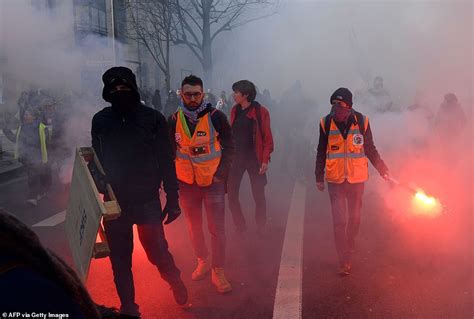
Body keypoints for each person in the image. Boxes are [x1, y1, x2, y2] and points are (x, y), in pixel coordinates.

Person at [91, 66, 187, 318]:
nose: (119, 92)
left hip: (147, 201)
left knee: (156, 252)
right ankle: (129, 308)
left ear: (133, 88)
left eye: (124, 88)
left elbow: (166, 161)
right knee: (120, 261)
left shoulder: (153, 118)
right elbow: (94, 160)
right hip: (115, 203)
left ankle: (174, 279)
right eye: (114, 89)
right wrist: (98, 180)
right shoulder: (100, 121)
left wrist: (174, 199)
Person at [168, 75, 234, 293]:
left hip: (212, 182)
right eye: (188, 94)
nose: (193, 98)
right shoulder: (173, 120)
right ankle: (203, 260)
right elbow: (168, 153)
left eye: (197, 94)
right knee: (194, 227)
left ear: (203, 94)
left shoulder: (217, 117)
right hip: (187, 184)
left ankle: (218, 270)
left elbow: (230, 147)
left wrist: (221, 174)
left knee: (217, 229)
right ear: (182, 95)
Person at [315, 88, 390, 276]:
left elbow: (370, 149)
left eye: (339, 105)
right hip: (336, 180)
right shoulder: (326, 122)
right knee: (339, 221)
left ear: (349, 105)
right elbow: (321, 150)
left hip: (356, 180)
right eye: (333, 104)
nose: (335, 108)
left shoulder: (362, 122)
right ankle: (344, 258)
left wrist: (382, 169)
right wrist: (318, 175)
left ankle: (350, 242)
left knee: (354, 219)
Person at [228, 80, 274, 235]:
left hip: (254, 159)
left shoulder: (261, 112)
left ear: (245, 94)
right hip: (236, 159)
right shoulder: (234, 110)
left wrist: (265, 160)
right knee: (231, 193)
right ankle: (240, 225)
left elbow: (267, 138)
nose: (233, 95)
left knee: (258, 195)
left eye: (236, 92)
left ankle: (261, 225)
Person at [2, 106, 52, 206]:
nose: (24, 116)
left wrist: (48, 157)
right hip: (27, 157)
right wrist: (6, 130)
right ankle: (33, 196)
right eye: (24, 114)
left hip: (39, 157)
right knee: (33, 176)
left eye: (26, 114)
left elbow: (47, 144)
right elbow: (16, 140)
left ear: (33, 117)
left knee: (41, 175)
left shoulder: (42, 128)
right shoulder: (22, 127)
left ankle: (39, 193)